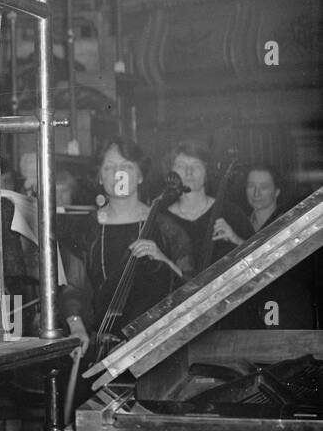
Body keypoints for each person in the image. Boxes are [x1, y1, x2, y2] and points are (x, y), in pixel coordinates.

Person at [60, 139, 191, 356]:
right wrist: (76, 327)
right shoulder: (85, 229)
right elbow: (73, 288)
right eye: (109, 167)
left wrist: (163, 259)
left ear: (140, 176)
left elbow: (192, 288)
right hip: (100, 348)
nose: (117, 174)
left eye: (127, 166)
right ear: (100, 176)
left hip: (155, 349)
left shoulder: (167, 228)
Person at [219, 163, 316, 329]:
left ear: (277, 191)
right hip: (249, 315)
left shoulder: (289, 222)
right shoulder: (239, 223)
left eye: (263, 187)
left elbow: (274, 262)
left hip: (286, 312)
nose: (256, 193)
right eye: (251, 186)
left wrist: (236, 240)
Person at [163, 142, 252, 274]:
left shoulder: (231, 213)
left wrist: (236, 239)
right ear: (171, 173)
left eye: (196, 165)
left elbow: (260, 259)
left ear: (206, 173)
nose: (189, 172)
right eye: (181, 166)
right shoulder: (162, 219)